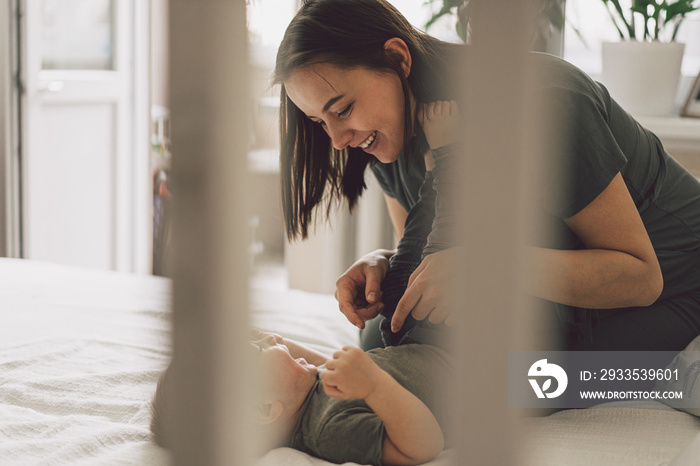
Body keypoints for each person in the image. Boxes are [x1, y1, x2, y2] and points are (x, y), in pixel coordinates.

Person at [273, 0, 700, 352]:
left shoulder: (544, 102)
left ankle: (676, 380)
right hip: (559, 301)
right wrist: (383, 265)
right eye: (318, 122)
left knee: (516, 385)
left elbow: (642, 278)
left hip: (673, 290)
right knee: (380, 339)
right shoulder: (385, 143)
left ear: (397, 58)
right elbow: (437, 250)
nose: (338, 141)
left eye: (342, 109)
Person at [151, 330, 454, 465]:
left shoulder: (305, 391)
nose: (271, 339)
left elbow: (326, 364)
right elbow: (422, 446)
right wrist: (375, 386)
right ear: (264, 408)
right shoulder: (329, 430)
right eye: (259, 349)